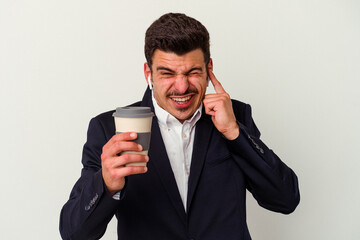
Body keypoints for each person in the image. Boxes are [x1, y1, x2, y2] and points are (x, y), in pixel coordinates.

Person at [60, 13, 300, 240]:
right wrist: (106, 184)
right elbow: (74, 234)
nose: (182, 87)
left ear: (209, 70)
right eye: (167, 73)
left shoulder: (236, 117)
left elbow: (286, 200)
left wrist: (235, 133)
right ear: (148, 73)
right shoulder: (108, 128)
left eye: (193, 72)